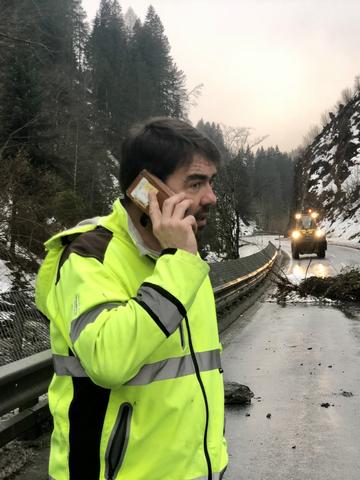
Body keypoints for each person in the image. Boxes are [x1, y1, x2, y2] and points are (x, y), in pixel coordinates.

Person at [35, 118, 228, 480]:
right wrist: (179, 265)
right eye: (196, 182)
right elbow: (109, 361)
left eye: (211, 183)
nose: (211, 197)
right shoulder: (88, 255)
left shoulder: (184, 258)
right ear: (147, 190)